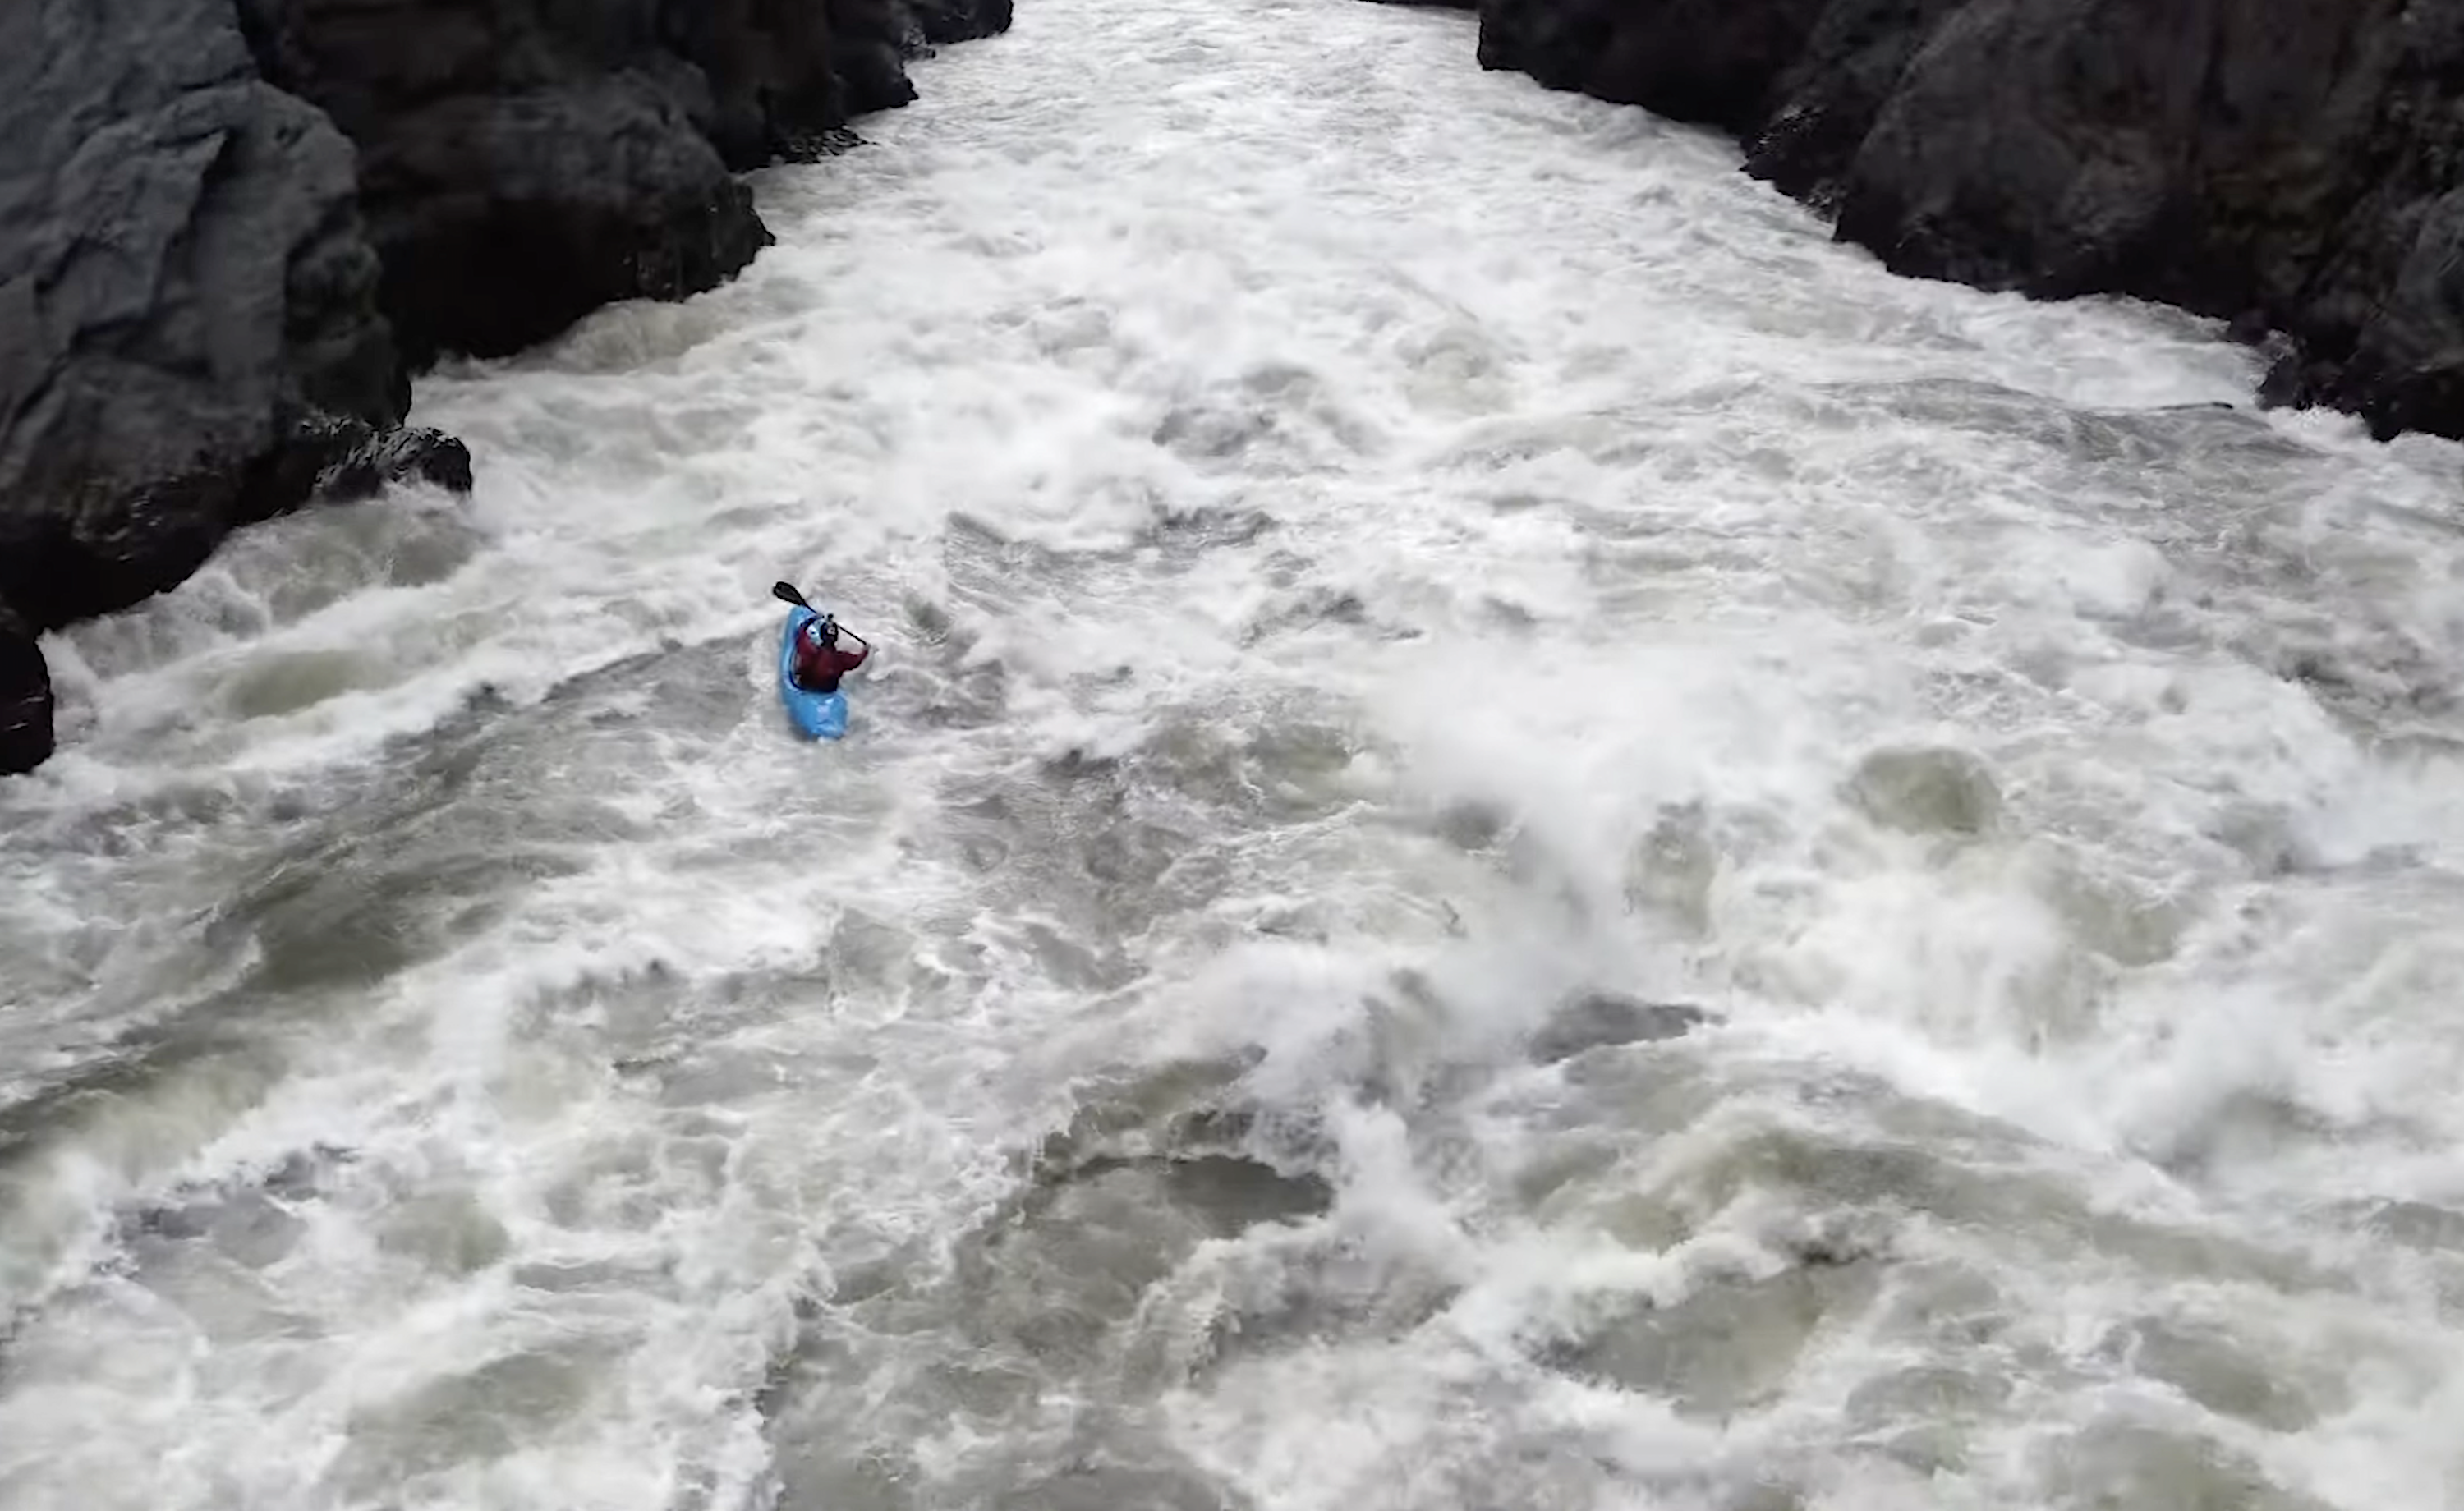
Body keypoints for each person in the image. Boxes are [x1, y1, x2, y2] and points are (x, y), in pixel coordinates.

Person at [791, 614, 868, 693]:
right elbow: (857, 660)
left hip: (807, 686)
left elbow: (801, 637)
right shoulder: (841, 658)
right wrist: (866, 650)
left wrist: (807, 624)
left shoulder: (811, 651)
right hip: (827, 690)